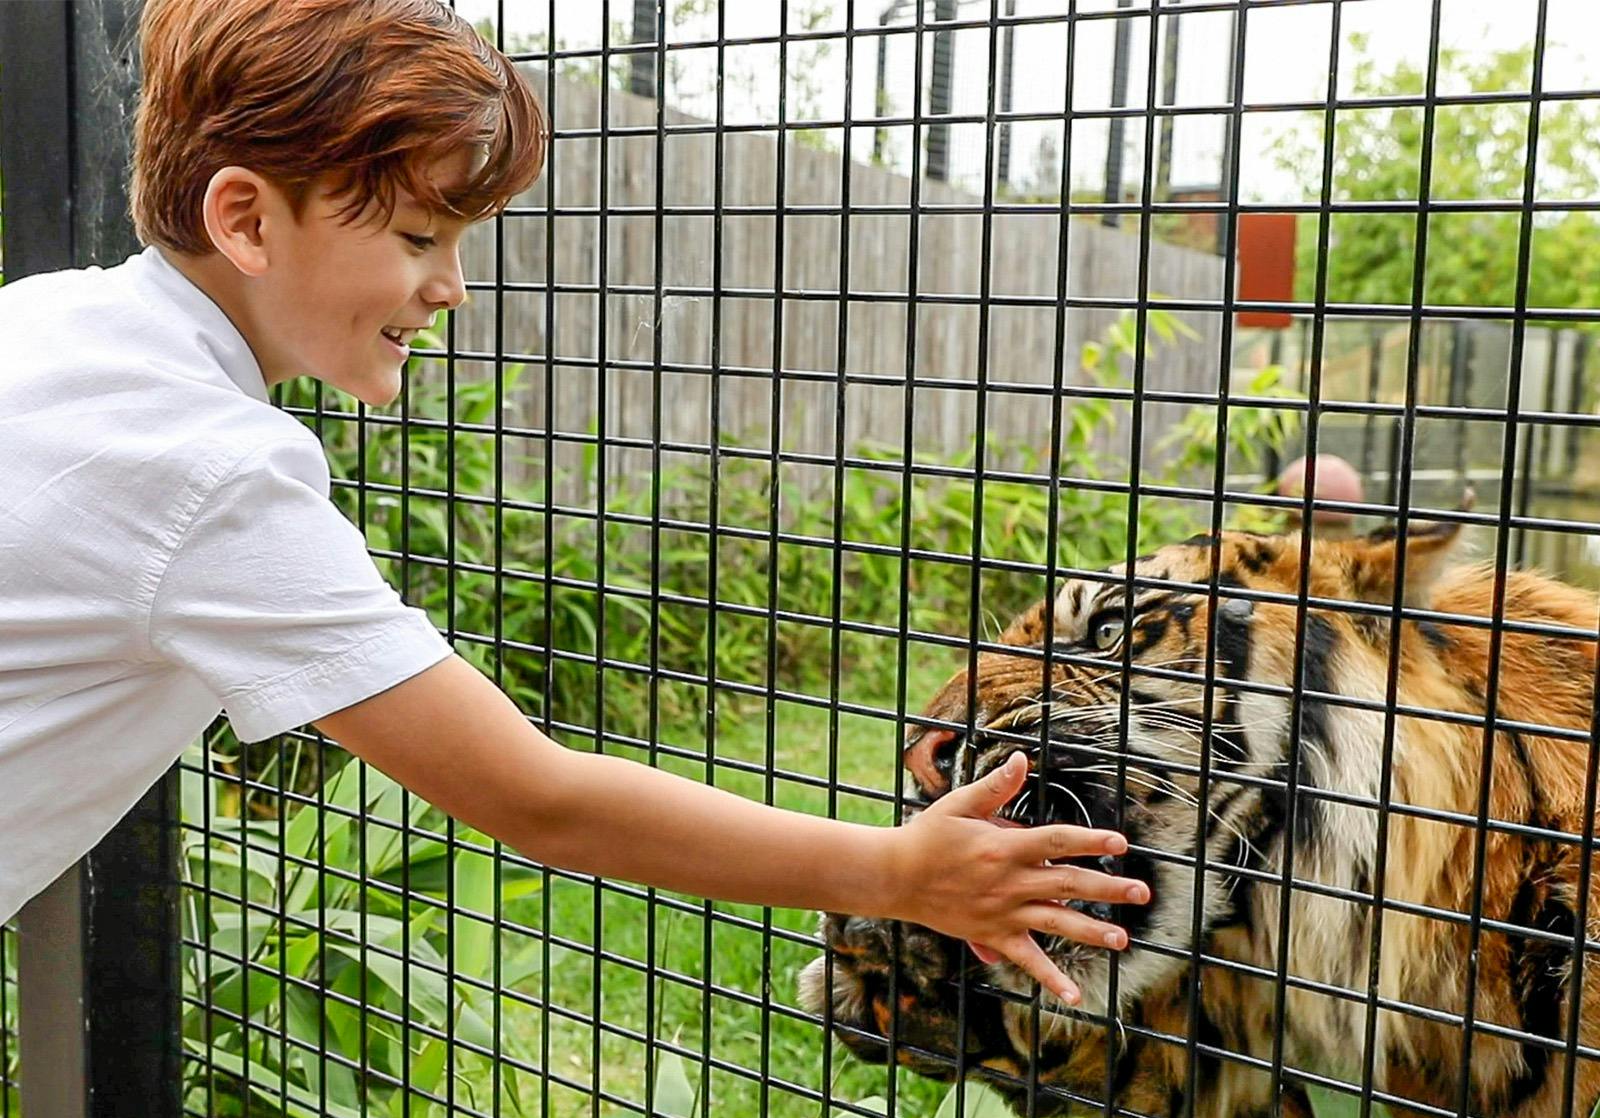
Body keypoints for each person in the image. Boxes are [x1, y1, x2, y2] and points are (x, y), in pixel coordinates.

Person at [0, 0, 1147, 1006]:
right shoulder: (213, 471)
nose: (449, 285)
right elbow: (535, 797)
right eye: (417, 236)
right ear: (246, 220)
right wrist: (898, 873)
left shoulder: (53, 322)